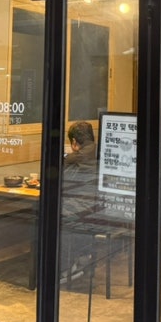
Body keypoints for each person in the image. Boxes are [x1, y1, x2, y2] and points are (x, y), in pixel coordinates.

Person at [61, 121, 98, 284]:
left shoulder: (80, 155)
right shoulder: (97, 150)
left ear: (74, 141)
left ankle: (65, 268)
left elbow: (64, 168)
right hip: (96, 206)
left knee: (57, 218)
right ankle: (84, 256)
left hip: (82, 205)